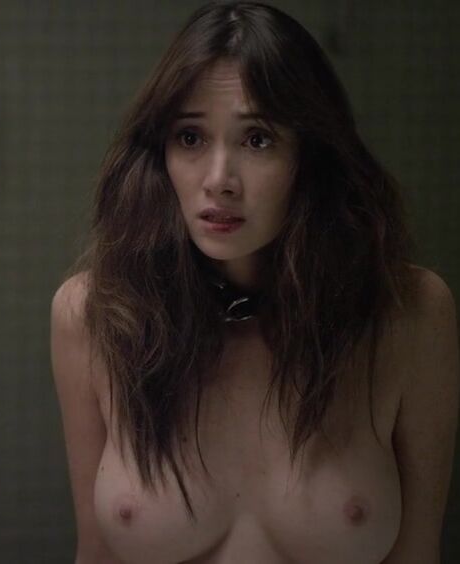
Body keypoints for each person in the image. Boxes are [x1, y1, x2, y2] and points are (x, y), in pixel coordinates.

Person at [50, 2, 459, 563]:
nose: (219, 180)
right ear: (159, 153)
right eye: (190, 137)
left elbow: (418, 555)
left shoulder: (409, 313)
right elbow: (95, 553)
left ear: (310, 157)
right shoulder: (94, 315)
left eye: (257, 140)